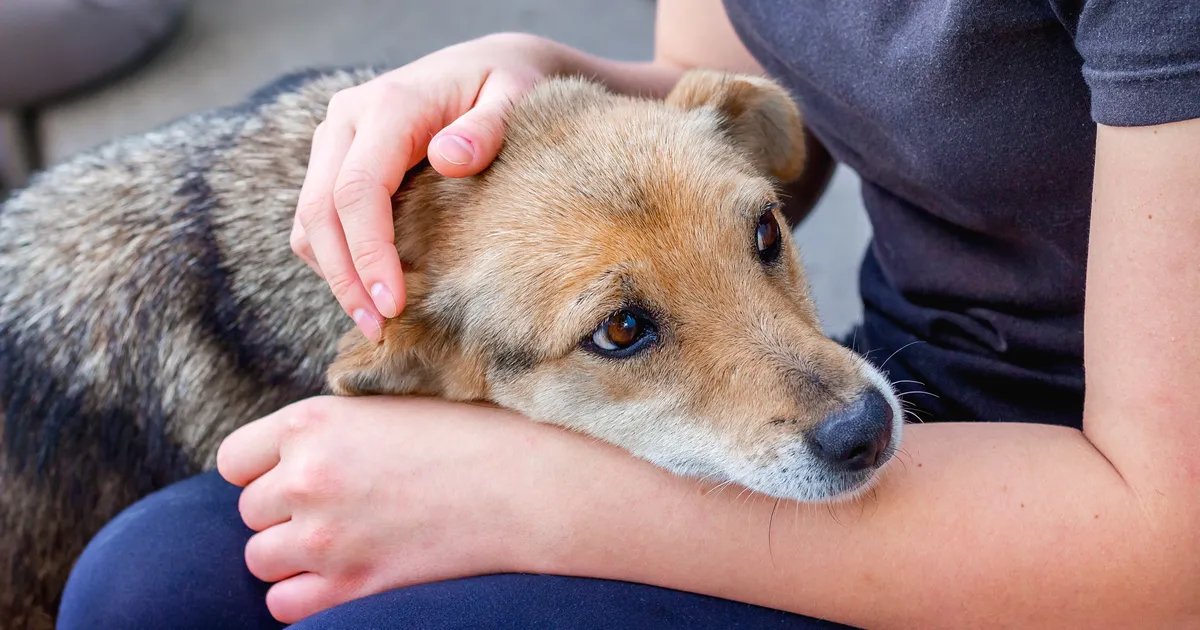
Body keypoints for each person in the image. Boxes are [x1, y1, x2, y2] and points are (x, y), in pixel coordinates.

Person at [58, 0, 1200, 628]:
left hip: (1092, 502)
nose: (839, 412)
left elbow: (1174, 557)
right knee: (140, 587)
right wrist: (536, 64)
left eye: (770, 252)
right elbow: (729, 135)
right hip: (932, 367)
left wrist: (530, 497)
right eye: (626, 330)